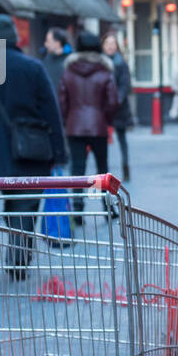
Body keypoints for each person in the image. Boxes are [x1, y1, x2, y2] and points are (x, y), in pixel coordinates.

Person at [0, 14, 67, 278]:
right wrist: (59, 151)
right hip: (32, 152)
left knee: (13, 200)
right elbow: (51, 112)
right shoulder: (33, 69)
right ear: (14, 38)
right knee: (26, 204)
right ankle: (18, 259)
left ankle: (18, 253)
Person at [57, 31, 119, 218]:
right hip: (98, 125)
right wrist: (105, 118)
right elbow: (113, 102)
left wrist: (69, 119)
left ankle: (77, 208)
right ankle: (107, 207)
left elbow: (62, 101)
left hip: (75, 127)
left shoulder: (68, 71)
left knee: (77, 169)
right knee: (101, 170)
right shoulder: (105, 71)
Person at [102, 32, 134, 181]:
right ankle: (104, 172)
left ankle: (125, 166)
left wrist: (117, 100)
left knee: (122, 139)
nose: (110, 47)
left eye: (113, 44)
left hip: (119, 108)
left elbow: (125, 85)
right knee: (101, 141)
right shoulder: (100, 63)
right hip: (103, 108)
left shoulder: (121, 63)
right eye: (107, 44)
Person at [42, 28, 71, 98]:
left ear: (57, 43)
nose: (45, 44)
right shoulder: (47, 59)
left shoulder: (70, 61)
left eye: (48, 41)